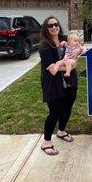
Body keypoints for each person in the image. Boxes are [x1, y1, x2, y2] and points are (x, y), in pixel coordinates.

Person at [39, 16, 85, 156]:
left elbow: (83, 47)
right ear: (46, 29)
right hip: (53, 83)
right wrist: (70, 65)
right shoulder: (44, 46)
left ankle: (61, 131)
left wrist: (78, 50)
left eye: (56, 24)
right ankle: (46, 141)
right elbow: (51, 68)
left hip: (70, 81)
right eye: (50, 25)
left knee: (67, 107)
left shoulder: (66, 38)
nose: (54, 27)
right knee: (55, 111)